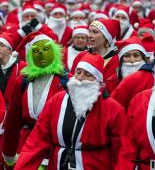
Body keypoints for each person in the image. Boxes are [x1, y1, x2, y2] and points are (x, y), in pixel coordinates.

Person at [14, 53, 126, 170]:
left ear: (97, 80)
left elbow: (121, 150)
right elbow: (36, 142)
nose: (81, 78)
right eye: (78, 72)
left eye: (88, 75)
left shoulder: (112, 109)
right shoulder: (57, 101)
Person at [2, 33, 68, 168]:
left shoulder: (65, 80)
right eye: (36, 51)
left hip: (54, 145)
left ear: (54, 51)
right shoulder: (22, 80)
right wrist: (8, 152)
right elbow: (13, 121)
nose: (41, 54)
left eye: (46, 49)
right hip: (27, 145)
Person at [72, 18, 121, 82]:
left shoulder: (117, 60)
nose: (89, 36)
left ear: (106, 37)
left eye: (95, 32)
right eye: (90, 31)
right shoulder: (81, 56)